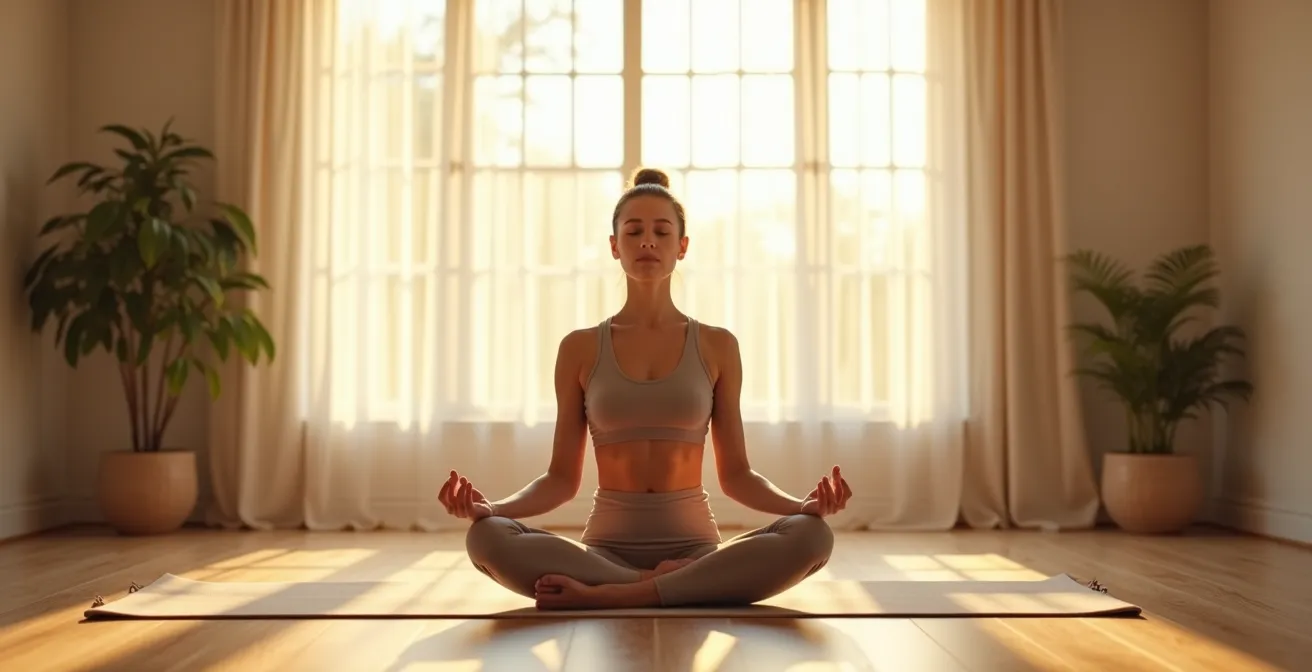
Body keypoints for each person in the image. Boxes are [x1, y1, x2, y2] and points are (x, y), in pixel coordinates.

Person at [437, 167, 853, 610]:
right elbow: (560, 480)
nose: (647, 242)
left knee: (812, 535)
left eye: (661, 231)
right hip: (604, 553)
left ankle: (618, 595)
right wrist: (493, 508)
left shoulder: (718, 345)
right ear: (615, 247)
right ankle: (663, 586)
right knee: (487, 537)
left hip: (696, 551)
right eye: (633, 232)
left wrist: (802, 505)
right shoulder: (579, 348)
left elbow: (737, 477)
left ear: (682, 246)